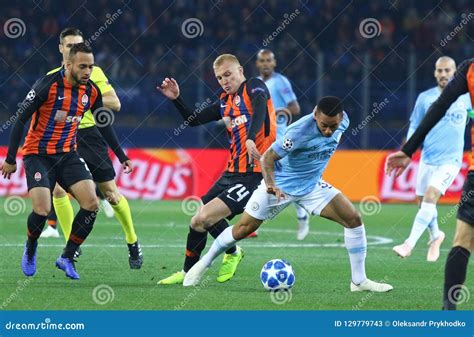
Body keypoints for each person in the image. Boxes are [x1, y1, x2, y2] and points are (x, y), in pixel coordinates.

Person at [183, 96, 393, 293]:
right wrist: (271, 185)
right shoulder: (298, 132)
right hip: (281, 186)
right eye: (324, 126)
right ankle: (204, 263)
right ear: (315, 115)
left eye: (333, 126)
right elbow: (267, 158)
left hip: (312, 186)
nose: (329, 131)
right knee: (243, 228)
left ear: (341, 118)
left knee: (354, 219)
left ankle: (359, 281)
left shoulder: (344, 120)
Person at [156, 54, 276, 285]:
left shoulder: (254, 87)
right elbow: (193, 120)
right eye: (220, 78)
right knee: (201, 219)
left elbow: (260, 108)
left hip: (254, 175)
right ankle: (204, 265)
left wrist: (251, 138)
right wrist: (177, 99)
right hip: (231, 173)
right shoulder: (225, 101)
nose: (224, 81)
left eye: (228, 75)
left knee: (201, 218)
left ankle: (207, 265)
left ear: (240, 70)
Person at [0, 43, 114, 279]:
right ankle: (31, 246)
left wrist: (121, 155)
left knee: (91, 203)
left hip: (68, 154)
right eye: (83, 66)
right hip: (38, 154)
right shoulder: (47, 85)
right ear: (68, 64)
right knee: (42, 210)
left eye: (91, 66)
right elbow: (20, 118)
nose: (87, 71)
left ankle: (67, 256)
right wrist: (10, 158)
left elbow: (103, 121)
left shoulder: (91, 92)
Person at [41, 27, 143, 268]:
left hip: (89, 135)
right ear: (61, 48)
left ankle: (132, 240)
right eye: (69, 47)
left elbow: (114, 103)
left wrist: (80, 102)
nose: (74, 51)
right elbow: (51, 115)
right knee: (57, 190)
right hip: (63, 136)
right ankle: (70, 249)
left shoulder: (93, 71)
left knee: (110, 193)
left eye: (79, 46)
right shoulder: (52, 76)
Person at [386, 58, 474, 310]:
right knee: (423, 200)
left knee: (455, 229)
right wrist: (410, 149)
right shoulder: (425, 97)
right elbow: (422, 119)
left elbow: (448, 109)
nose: (444, 73)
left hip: (452, 161)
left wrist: (407, 150)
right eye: (440, 70)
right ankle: (435, 234)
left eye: (448, 70)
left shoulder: (468, 81)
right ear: (435, 73)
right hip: (428, 159)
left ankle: (410, 244)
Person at [256, 49, 310, 240]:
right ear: (257, 63)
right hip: (262, 139)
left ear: (274, 63)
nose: (265, 64)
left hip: (281, 140)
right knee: (260, 178)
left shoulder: (281, 82)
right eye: (262, 60)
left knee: (291, 178)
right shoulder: (255, 83)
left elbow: (295, 108)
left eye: (268, 60)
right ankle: (255, 219)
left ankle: (303, 217)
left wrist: (276, 111)